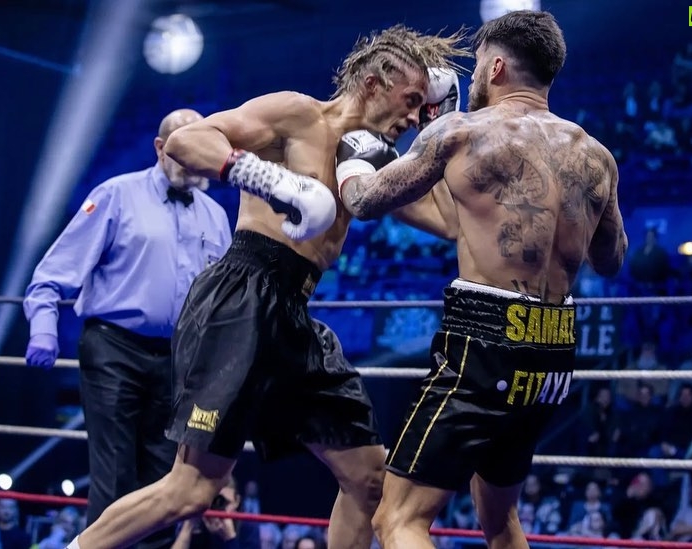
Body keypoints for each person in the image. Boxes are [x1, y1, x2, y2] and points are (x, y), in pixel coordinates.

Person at [68, 25, 468, 549]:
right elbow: (189, 141)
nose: (416, 115)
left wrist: (444, 133)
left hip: (296, 317)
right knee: (191, 489)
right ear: (375, 81)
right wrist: (268, 178)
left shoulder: (370, 160)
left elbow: (449, 221)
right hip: (241, 298)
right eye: (412, 100)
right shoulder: (299, 115)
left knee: (369, 482)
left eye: (424, 108)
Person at [336, 10, 627, 549]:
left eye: (474, 69)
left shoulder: (463, 131)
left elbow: (364, 201)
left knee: (398, 520)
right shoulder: (596, 156)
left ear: (495, 67)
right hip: (554, 353)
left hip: (482, 345)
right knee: (500, 520)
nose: (470, 80)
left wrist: (352, 156)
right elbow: (611, 260)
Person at [23, 108, 231, 548]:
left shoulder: (215, 215)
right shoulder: (117, 194)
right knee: (115, 474)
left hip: (179, 359)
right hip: (114, 350)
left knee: (164, 485)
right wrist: (43, 325)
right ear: (161, 147)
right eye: (183, 148)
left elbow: (222, 301)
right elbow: (53, 272)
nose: (193, 160)